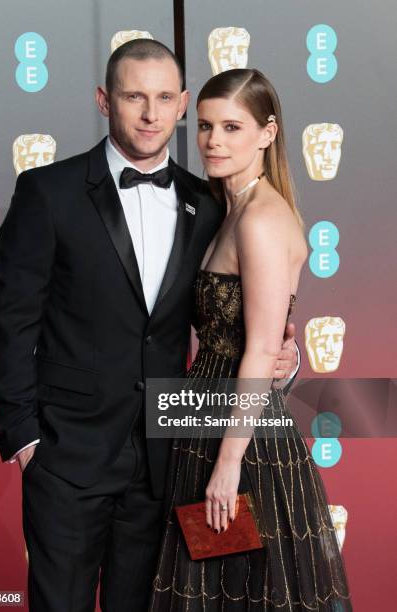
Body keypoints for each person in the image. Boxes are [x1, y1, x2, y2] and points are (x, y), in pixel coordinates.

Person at [0, 40, 298, 612]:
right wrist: (25, 439)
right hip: (67, 457)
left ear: (182, 104)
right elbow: (10, 322)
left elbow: (248, 317)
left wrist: (287, 359)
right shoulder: (48, 193)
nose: (151, 114)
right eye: (134, 96)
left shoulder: (210, 204)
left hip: (171, 458)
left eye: (162, 98)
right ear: (105, 101)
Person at [149, 69, 352, 611]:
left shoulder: (260, 218)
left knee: (238, 594)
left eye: (232, 127)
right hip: (210, 417)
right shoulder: (230, 211)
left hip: (243, 441)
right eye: (206, 126)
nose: (214, 141)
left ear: (267, 133)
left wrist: (228, 462)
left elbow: (262, 348)